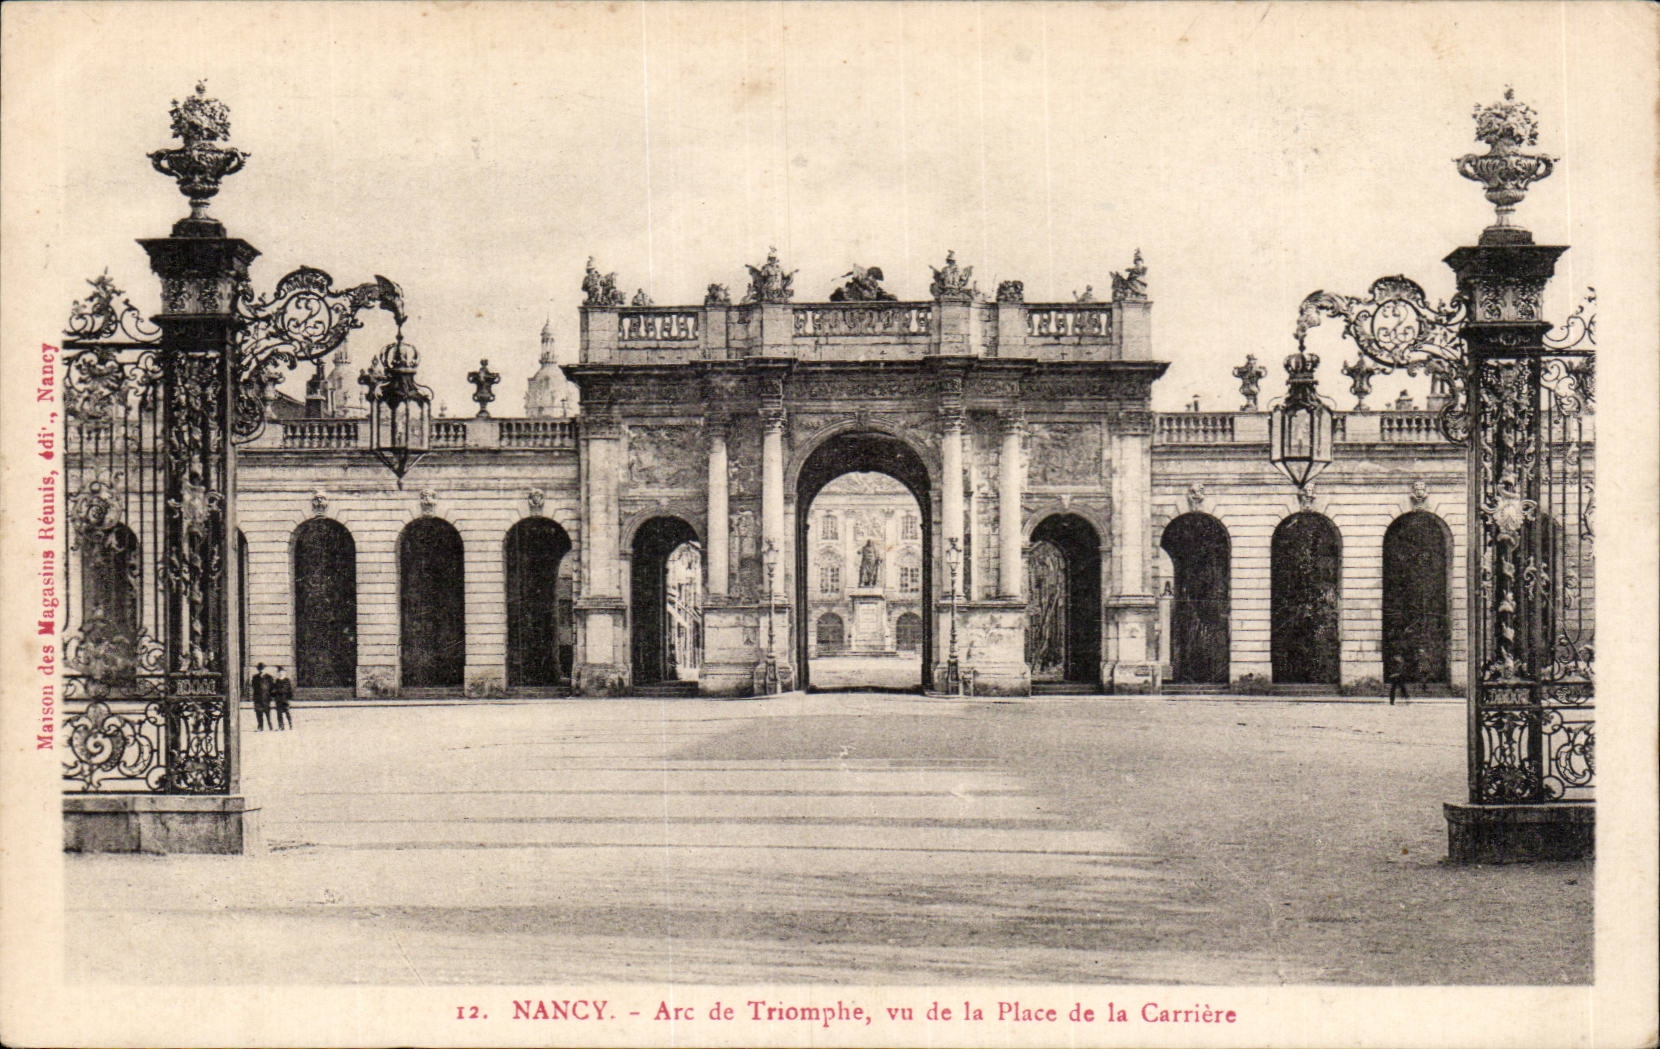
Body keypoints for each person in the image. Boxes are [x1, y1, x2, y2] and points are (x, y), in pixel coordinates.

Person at [1387, 640, 1410, 705]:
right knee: (1399, 688)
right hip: (1396, 675)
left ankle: (1393, 701)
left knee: (1398, 688)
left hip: (1397, 675)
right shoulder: (1397, 661)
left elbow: (1399, 668)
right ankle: (1405, 699)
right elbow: (1396, 668)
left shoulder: (1397, 660)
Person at [250, 662, 273, 731]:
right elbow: (253, 687)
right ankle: (260, 727)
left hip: (266, 698)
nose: (261, 670)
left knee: (267, 713)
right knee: (258, 713)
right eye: (260, 669)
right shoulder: (255, 677)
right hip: (257, 698)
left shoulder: (269, 677)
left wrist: (271, 697)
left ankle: (270, 726)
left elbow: (271, 687)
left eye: (262, 669)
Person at [272, 666, 294, 730]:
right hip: (278, 699)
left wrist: (290, 699)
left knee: (287, 712)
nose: (281, 673)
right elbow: (274, 690)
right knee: (279, 714)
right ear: (278, 673)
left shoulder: (287, 680)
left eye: (282, 672)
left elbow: (289, 690)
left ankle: (290, 725)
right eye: (279, 672)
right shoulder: (277, 681)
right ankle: (281, 726)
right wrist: (274, 694)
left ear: (284, 673)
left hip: (285, 699)